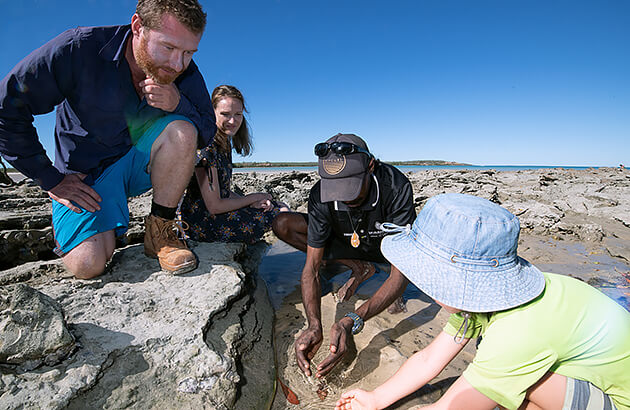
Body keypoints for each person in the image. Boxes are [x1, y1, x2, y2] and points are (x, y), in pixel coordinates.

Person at [336, 193, 630, 410]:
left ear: (454, 280)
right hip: (586, 370)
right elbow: (429, 359)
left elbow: (448, 408)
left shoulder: (516, 330)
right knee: (502, 382)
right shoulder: (485, 300)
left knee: (508, 385)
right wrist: (375, 399)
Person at [0, 0, 215, 279]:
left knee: (183, 130)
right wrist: (50, 179)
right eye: (169, 47)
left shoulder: (186, 71)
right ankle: (100, 226)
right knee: (88, 265)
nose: (178, 64)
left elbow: (207, 130)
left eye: (188, 52)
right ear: (138, 26)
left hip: (140, 165)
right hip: (85, 176)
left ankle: (161, 231)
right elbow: (7, 109)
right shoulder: (78, 48)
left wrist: (178, 105)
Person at [272, 133, 416, 378]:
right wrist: (314, 324)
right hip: (346, 240)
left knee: (396, 296)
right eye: (336, 188)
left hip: (383, 246)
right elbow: (312, 269)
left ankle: (373, 272)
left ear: (371, 166)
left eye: (351, 186)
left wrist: (351, 320)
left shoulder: (395, 185)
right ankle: (359, 267)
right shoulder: (320, 194)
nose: (345, 197)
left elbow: (403, 271)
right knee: (283, 223)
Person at [179, 85, 289, 244]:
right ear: (212, 113)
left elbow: (223, 192)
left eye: (238, 114)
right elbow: (214, 205)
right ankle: (314, 258)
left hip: (213, 215)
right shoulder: (206, 147)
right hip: (201, 223)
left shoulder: (223, 144)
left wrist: (252, 202)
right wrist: (254, 197)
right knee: (280, 214)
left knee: (278, 206)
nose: (232, 120)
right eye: (225, 114)